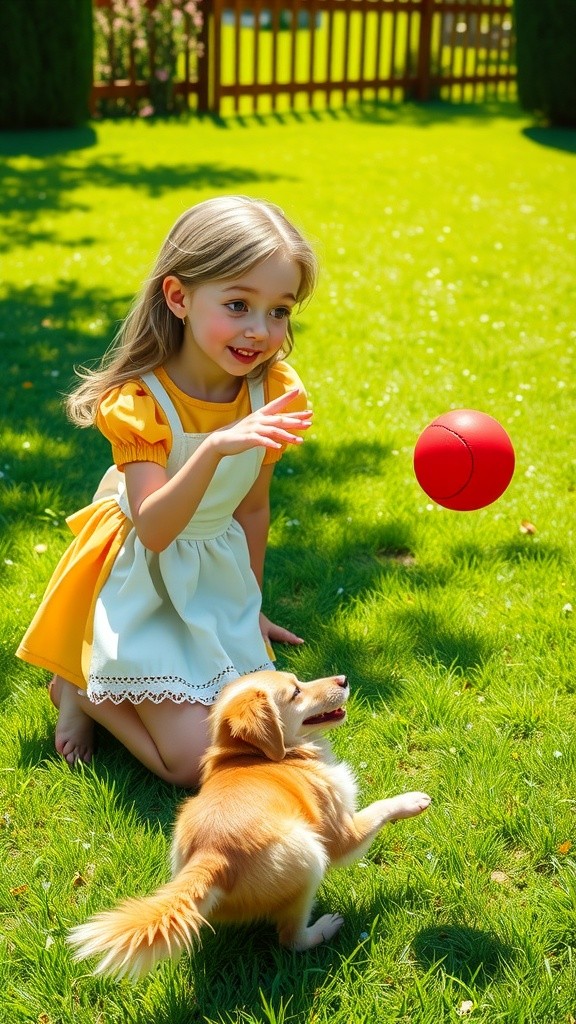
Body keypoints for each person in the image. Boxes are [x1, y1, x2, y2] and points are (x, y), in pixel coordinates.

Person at [17, 195, 316, 788]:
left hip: (212, 575)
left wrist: (249, 607)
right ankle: (82, 687)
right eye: (238, 305)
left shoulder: (274, 391)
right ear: (179, 297)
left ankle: (102, 683)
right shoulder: (140, 401)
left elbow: (253, 508)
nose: (260, 331)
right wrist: (213, 448)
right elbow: (154, 529)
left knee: (257, 733)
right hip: (141, 581)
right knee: (194, 761)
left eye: (279, 311)